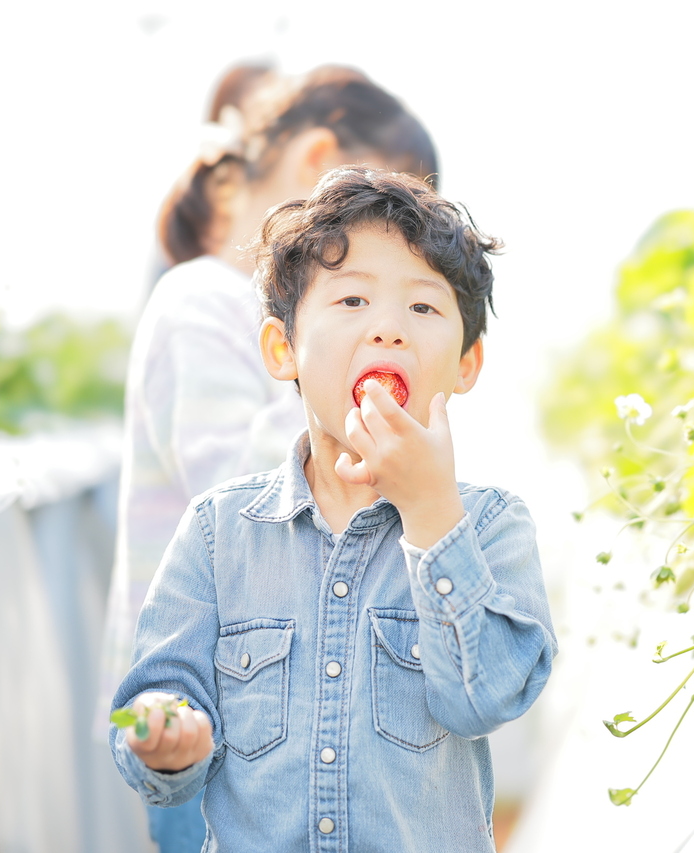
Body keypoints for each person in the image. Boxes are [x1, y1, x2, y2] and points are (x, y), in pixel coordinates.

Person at [109, 167, 556, 851]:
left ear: (467, 364)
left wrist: (431, 511)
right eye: (351, 300)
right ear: (282, 348)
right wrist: (169, 736)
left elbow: (488, 698)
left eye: (424, 308)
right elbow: (162, 696)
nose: (388, 330)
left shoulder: (494, 526)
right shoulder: (217, 530)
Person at [97, 66, 440, 852]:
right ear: (318, 159)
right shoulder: (201, 299)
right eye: (383, 215)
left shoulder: (277, 319)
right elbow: (235, 491)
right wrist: (343, 388)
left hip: (281, 702)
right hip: (209, 706)